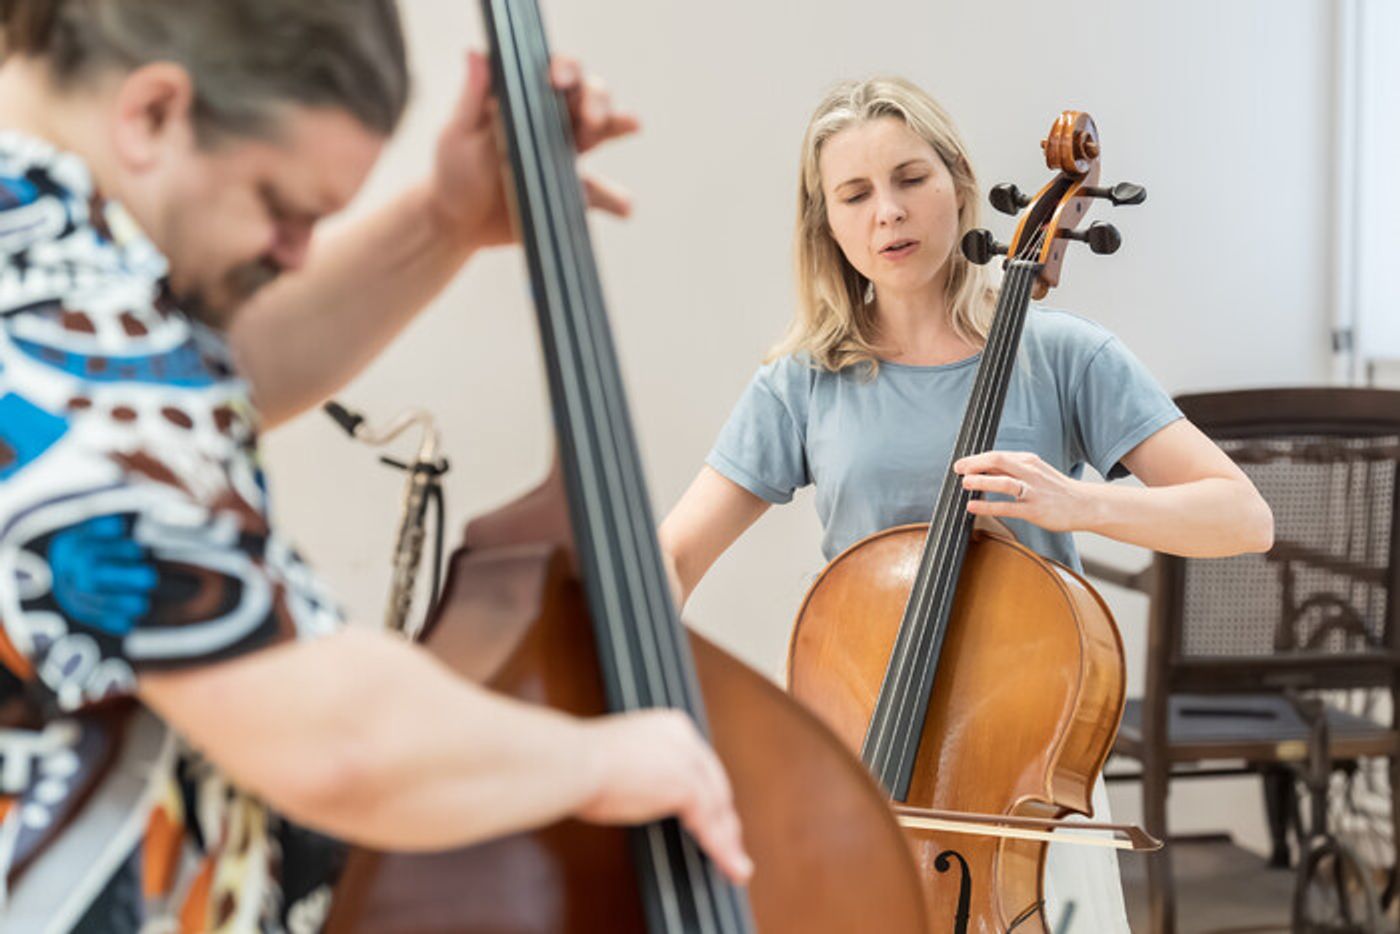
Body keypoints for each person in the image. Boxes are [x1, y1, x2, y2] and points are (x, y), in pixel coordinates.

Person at [0, 0, 748, 930]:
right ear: (152, 112)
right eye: (282, 209)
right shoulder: (51, 330)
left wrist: (443, 220)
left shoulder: (46, 271)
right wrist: (606, 762)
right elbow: (325, 735)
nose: (296, 254)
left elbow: (217, 380)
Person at [658, 76, 1274, 931]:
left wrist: (1078, 505)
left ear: (959, 182)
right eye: (856, 194)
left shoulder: (1063, 356)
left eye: (911, 179)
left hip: (1026, 774)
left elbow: (1243, 516)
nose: (889, 214)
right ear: (826, 222)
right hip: (857, 768)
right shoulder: (804, 380)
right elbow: (673, 560)